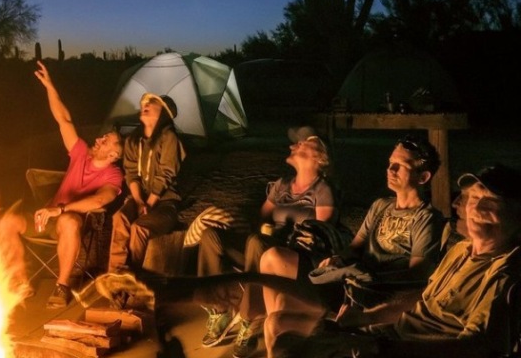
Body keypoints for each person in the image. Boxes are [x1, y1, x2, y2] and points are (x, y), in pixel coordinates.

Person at [269, 163, 521, 358]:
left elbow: (474, 350)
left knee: (291, 351)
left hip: (406, 349)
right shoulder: (462, 249)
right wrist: (367, 317)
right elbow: (422, 295)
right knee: (281, 335)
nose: (475, 209)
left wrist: (378, 347)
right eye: (474, 199)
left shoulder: (505, 273)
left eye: (491, 202)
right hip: (390, 332)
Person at [261, 134, 445, 351]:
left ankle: (297, 342)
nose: (390, 170)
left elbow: (417, 273)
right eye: (390, 163)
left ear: (423, 177)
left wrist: (366, 278)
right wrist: (339, 259)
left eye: (400, 166)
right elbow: (355, 246)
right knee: (272, 259)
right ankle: (292, 344)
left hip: (371, 295)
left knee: (277, 317)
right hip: (346, 283)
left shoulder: (427, 218)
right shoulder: (381, 206)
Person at [196, 131, 344, 358]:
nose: (299, 145)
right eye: (300, 143)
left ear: (319, 158)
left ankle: (248, 319)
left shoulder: (322, 190)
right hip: (265, 241)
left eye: (308, 144)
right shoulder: (282, 185)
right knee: (210, 236)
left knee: (256, 243)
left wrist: (286, 233)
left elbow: (321, 233)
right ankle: (219, 309)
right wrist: (264, 228)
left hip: (290, 252)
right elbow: (262, 217)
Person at [0, 61, 123, 309]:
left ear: (112, 155)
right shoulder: (80, 153)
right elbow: (64, 120)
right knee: (6, 221)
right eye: (101, 137)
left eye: (105, 140)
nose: (98, 139)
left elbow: (99, 201)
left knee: (68, 220)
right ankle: (22, 282)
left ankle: (62, 285)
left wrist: (61, 209)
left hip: (72, 223)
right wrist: (49, 86)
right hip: (47, 218)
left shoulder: (113, 175)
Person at [107, 92, 185, 274]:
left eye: (152, 103)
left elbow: (166, 174)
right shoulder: (134, 139)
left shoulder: (169, 138)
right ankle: (115, 275)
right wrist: (139, 201)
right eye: (144, 103)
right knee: (120, 218)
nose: (146, 105)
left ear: (163, 112)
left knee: (139, 228)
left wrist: (149, 204)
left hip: (165, 204)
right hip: (139, 198)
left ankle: (132, 276)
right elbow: (131, 173)